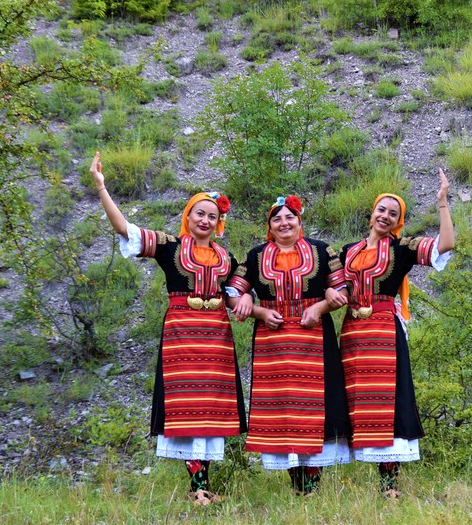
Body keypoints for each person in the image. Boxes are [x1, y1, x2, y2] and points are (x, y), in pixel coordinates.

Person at [89, 152, 246, 506]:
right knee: (187, 407)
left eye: (213, 215)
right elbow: (124, 228)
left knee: (209, 409)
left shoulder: (229, 259)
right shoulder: (168, 245)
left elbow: (239, 297)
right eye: (199, 213)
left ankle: (201, 487)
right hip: (182, 334)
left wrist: (254, 309)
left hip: (217, 337)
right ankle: (197, 488)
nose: (205, 220)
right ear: (187, 217)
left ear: (220, 222)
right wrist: (101, 187)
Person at [335, 169, 454, 498]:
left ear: (399, 220)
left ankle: (389, 486)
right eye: (381, 209)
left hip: (385, 330)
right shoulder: (347, 251)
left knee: (389, 399)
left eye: (393, 213)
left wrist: (442, 203)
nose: (385, 216)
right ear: (371, 212)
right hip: (353, 333)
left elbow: (446, 244)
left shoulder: (402, 248)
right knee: (358, 400)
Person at [228, 195, 351, 495]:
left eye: (289, 217)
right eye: (277, 219)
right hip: (274, 341)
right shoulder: (256, 256)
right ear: (269, 226)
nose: (284, 223)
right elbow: (232, 292)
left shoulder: (323, 251)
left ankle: (311, 487)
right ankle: (298, 485)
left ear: (300, 222)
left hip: (314, 338)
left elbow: (342, 289)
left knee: (316, 407)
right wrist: (255, 308)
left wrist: (321, 307)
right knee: (283, 410)